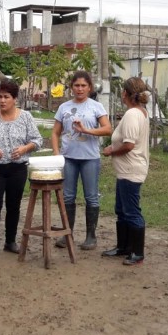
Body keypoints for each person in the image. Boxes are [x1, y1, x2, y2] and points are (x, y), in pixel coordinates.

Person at [0, 80, 43, 255]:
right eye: (0, 97)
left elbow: (38, 140)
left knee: (14, 205)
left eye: (6, 97)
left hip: (17, 168)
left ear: (15, 99)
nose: (2, 100)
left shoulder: (26, 117)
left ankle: (11, 241)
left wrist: (24, 148)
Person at [51, 70, 112, 250]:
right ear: (71, 87)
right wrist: (56, 153)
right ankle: (66, 234)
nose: (80, 89)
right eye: (76, 85)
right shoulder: (64, 107)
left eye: (83, 86)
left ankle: (90, 237)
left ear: (89, 87)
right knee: (68, 196)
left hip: (90, 158)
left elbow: (108, 129)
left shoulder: (96, 107)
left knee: (91, 197)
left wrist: (87, 131)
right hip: (68, 158)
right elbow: (55, 133)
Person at [102, 77, 151, 265]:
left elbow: (129, 145)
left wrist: (111, 151)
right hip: (126, 171)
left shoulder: (132, 114)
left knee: (131, 212)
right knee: (121, 210)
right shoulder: (141, 112)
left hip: (131, 171)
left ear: (125, 93)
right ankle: (124, 247)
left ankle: (137, 252)